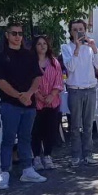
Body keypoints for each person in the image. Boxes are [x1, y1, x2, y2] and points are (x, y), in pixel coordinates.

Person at [0, 23, 47, 189]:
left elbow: (37, 77)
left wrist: (29, 94)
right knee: (8, 139)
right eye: (14, 33)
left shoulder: (29, 55)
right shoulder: (1, 58)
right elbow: (0, 82)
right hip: (10, 104)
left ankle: (27, 170)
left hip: (29, 104)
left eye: (20, 34)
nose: (17, 37)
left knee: (25, 138)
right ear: (7, 35)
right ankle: (4, 173)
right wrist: (19, 96)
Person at [60, 19, 98, 166]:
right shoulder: (66, 47)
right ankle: (75, 154)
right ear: (70, 32)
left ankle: (88, 153)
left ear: (85, 31)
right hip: (75, 89)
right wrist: (77, 49)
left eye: (81, 29)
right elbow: (70, 68)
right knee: (74, 125)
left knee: (88, 125)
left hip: (90, 89)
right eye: (75, 29)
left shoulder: (90, 48)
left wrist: (94, 47)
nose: (78, 32)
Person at [31, 35, 64, 171]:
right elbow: (28, 80)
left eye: (44, 43)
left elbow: (59, 80)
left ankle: (48, 156)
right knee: (36, 131)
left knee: (50, 130)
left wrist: (52, 94)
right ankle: (36, 157)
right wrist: (38, 94)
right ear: (35, 46)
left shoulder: (54, 62)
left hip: (52, 102)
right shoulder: (31, 62)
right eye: (39, 44)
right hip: (35, 102)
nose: (42, 46)